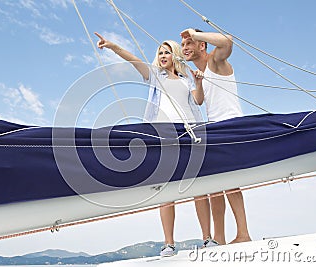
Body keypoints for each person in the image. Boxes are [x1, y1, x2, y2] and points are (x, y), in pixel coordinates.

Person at [94, 32, 204, 257]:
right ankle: (169, 244)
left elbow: (198, 101)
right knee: (166, 190)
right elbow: (133, 60)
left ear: (175, 55)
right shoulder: (155, 75)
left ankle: (207, 238)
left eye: (167, 52)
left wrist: (199, 83)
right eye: (160, 53)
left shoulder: (185, 80)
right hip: (163, 134)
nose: (163, 55)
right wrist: (114, 46)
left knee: (199, 188)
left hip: (189, 132)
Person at [178, 28, 252, 247]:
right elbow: (199, 102)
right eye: (183, 45)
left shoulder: (215, 61)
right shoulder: (201, 72)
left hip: (230, 125)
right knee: (218, 182)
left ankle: (243, 234)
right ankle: (219, 238)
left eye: (189, 43)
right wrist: (198, 82)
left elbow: (228, 42)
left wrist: (194, 32)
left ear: (201, 45)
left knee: (230, 183)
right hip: (216, 128)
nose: (185, 48)